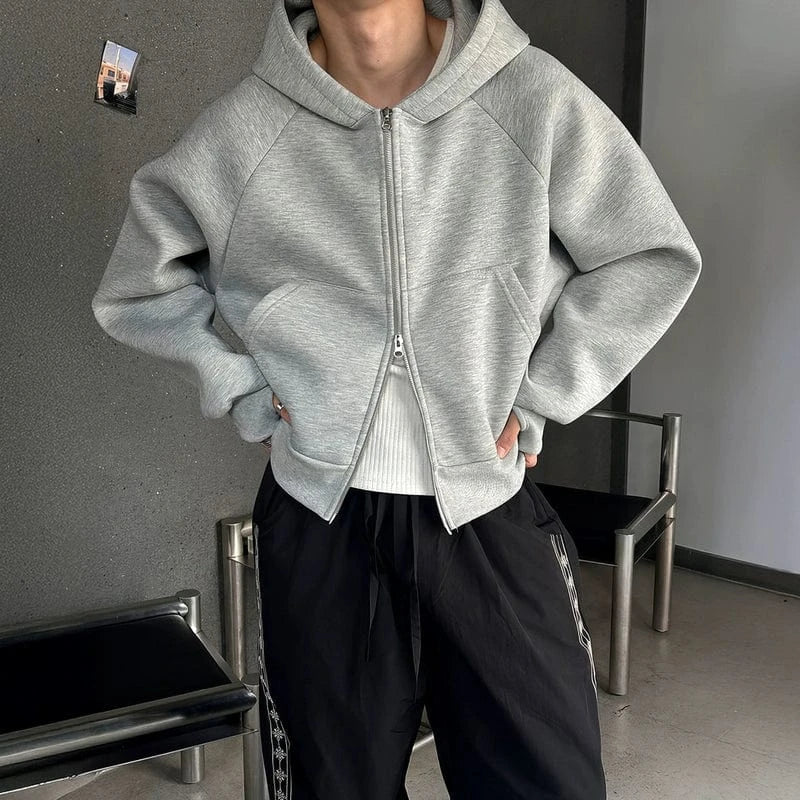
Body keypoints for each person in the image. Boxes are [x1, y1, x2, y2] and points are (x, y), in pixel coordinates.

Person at [91, 0, 702, 797]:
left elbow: (649, 253)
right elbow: (138, 288)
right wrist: (242, 389)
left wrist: (544, 392)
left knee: (548, 781)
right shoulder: (245, 131)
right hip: (319, 528)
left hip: (487, 511)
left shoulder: (530, 96)